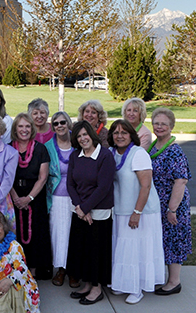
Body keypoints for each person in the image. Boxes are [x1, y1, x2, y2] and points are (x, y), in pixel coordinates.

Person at [108, 119, 165, 304]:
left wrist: (137, 212)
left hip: (140, 211)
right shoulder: (111, 153)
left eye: (124, 132)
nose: (119, 136)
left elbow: (146, 186)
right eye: (116, 132)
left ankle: (137, 287)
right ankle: (123, 283)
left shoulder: (138, 154)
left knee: (136, 249)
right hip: (120, 208)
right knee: (122, 248)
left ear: (131, 135)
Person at [66, 121, 115, 305]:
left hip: (99, 212)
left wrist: (86, 208)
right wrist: (80, 207)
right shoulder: (75, 156)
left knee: (96, 251)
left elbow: (103, 187)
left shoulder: (104, 156)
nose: (83, 138)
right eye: (79, 136)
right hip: (79, 211)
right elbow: (70, 184)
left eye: (86, 134)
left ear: (92, 135)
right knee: (82, 250)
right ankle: (86, 284)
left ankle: (97, 288)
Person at [149, 108, 192, 296]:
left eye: (163, 124)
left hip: (173, 205)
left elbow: (181, 181)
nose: (159, 127)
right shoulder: (154, 146)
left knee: (174, 240)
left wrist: (172, 209)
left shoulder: (175, 151)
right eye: (156, 123)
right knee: (165, 240)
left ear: (171, 126)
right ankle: (167, 278)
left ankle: (174, 282)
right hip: (159, 204)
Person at [9, 113, 53, 280]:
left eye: (27, 126)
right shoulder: (8, 148)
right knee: (15, 234)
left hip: (35, 196)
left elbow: (43, 177)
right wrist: (15, 197)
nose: (24, 130)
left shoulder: (41, 149)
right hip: (12, 195)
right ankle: (14, 270)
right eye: (20, 126)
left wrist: (29, 198)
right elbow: (5, 176)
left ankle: (31, 275)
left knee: (35, 234)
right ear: (15, 129)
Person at [43, 112, 77, 287]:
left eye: (63, 122)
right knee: (58, 234)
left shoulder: (78, 143)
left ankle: (73, 270)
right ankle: (61, 269)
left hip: (77, 196)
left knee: (74, 234)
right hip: (55, 196)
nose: (60, 126)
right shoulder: (48, 146)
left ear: (69, 123)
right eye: (55, 124)